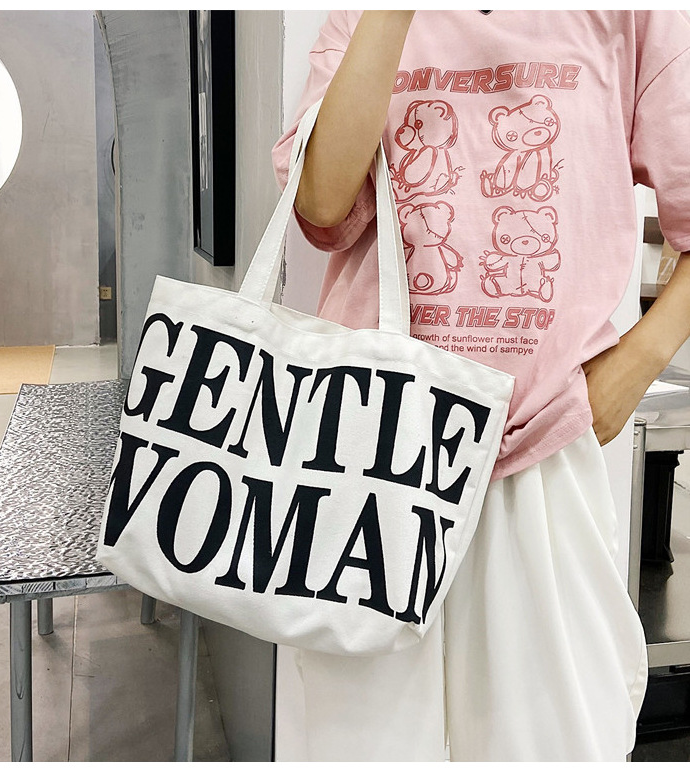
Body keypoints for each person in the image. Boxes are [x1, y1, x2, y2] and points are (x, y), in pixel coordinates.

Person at [271, 10, 690, 762]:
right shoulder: (362, 17)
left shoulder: (632, 15)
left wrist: (639, 362)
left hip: (538, 449)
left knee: (551, 741)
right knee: (366, 743)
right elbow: (322, 208)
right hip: (374, 455)